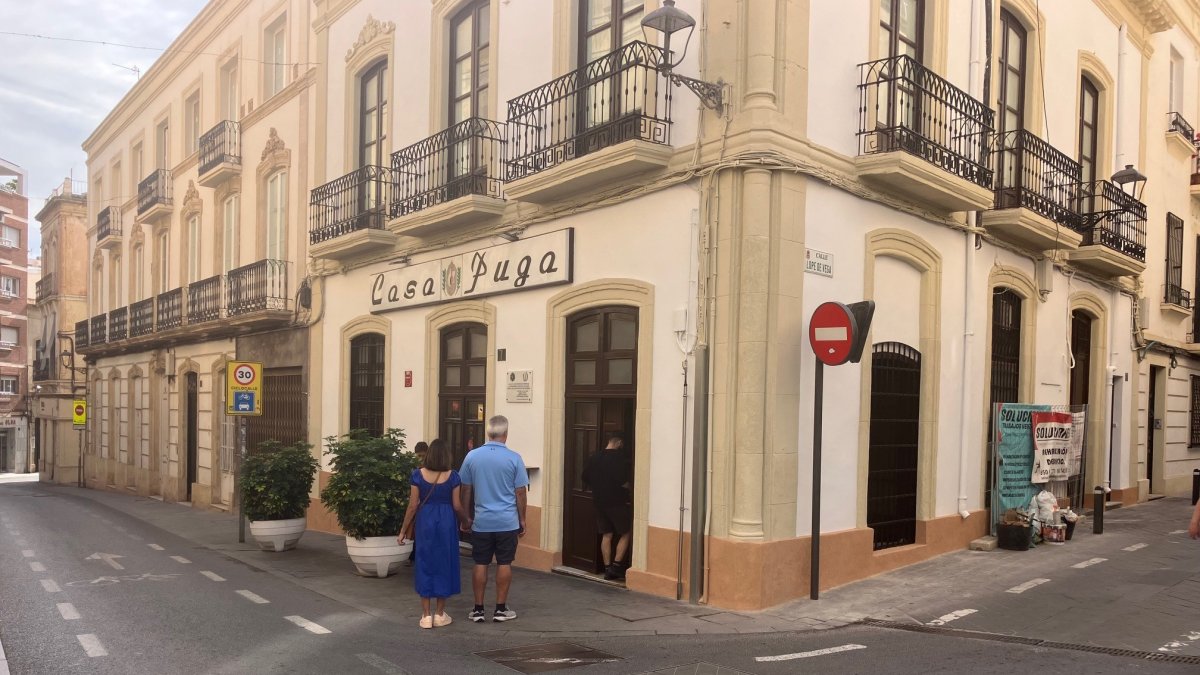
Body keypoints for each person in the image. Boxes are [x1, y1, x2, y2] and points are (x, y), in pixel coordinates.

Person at [459, 415, 528, 623]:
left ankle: (478, 609)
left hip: (482, 521)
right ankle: (500, 609)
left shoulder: (472, 457)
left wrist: (465, 517)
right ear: (505, 434)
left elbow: (466, 489)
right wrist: (522, 519)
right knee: (504, 562)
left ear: (488, 433)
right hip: (507, 521)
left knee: (480, 562)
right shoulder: (514, 458)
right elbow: (520, 493)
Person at [398, 439, 469, 629]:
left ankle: (425, 615)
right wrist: (465, 521)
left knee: (424, 562)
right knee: (444, 563)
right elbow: (457, 505)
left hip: (425, 521)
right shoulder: (453, 477)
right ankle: (439, 613)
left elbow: (413, 505)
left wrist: (403, 530)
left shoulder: (417, 475)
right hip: (446, 521)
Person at [582, 433, 632, 580]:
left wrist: (598, 485)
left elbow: (584, 477)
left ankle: (607, 568)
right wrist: (629, 488)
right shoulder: (619, 459)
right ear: (618, 443)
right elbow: (623, 480)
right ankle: (616, 567)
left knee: (607, 534)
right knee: (626, 533)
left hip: (599, 501)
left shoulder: (594, 457)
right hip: (617, 502)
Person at [407, 441, 430, 567]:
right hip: (417, 505)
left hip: (426, 506)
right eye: (418, 456)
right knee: (414, 533)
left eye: (422, 456)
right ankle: (412, 557)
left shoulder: (430, 470)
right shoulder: (414, 470)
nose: (420, 459)